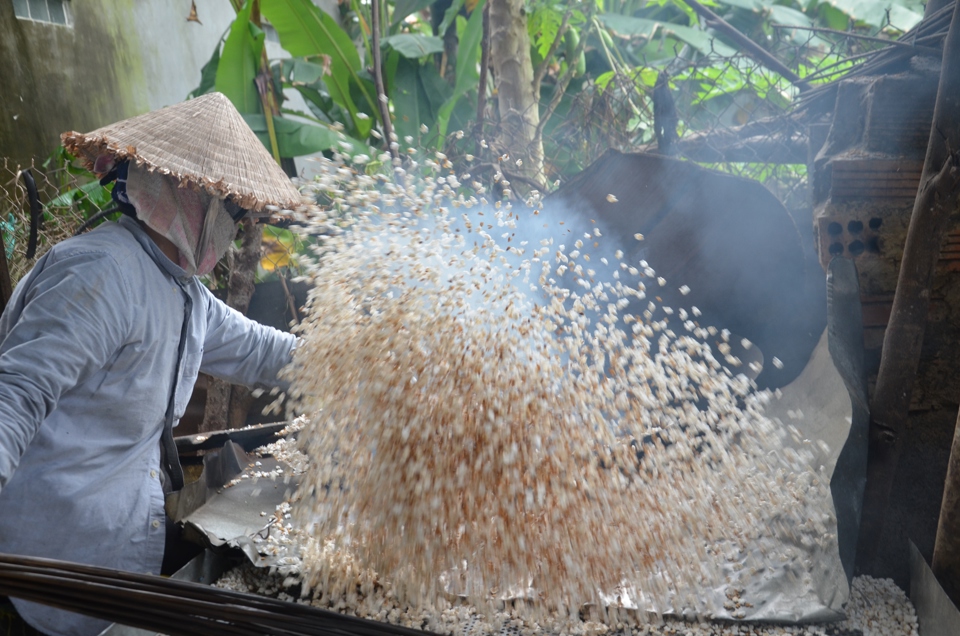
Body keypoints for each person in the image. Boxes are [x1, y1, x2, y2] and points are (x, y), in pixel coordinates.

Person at [0, 93, 301, 636]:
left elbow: (263, 352)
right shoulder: (100, 274)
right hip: (42, 565)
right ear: (189, 196)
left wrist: (356, 361)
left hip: (114, 557)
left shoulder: (183, 291)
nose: (233, 227)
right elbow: (15, 395)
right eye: (229, 210)